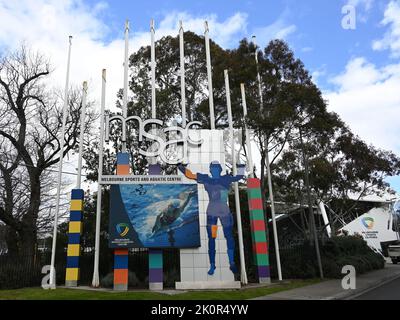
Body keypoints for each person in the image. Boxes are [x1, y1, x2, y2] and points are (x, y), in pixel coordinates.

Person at [178, 161, 245, 275]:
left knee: (229, 236)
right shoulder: (206, 179)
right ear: (210, 170)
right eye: (212, 168)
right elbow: (190, 175)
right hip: (212, 213)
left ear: (219, 169)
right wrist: (181, 167)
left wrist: (241, 166)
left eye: (216, 168)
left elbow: (238, 177)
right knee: (212, 238)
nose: (214, 170)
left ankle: (232, 262)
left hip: (224, 213)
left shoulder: (226, 178)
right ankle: (213, 265)